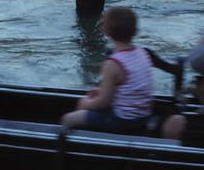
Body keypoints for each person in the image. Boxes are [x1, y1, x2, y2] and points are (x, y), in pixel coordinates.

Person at [61, 7, 178, 136]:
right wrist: (101, 91)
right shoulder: (143, 53)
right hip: (143, 115)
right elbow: (130, 88)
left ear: (106, 31)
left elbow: (104, 102)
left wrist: (86, 103)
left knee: (69, 118)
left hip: (124, 121)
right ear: (135, 31)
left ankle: (73, 147)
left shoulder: (113, 63)